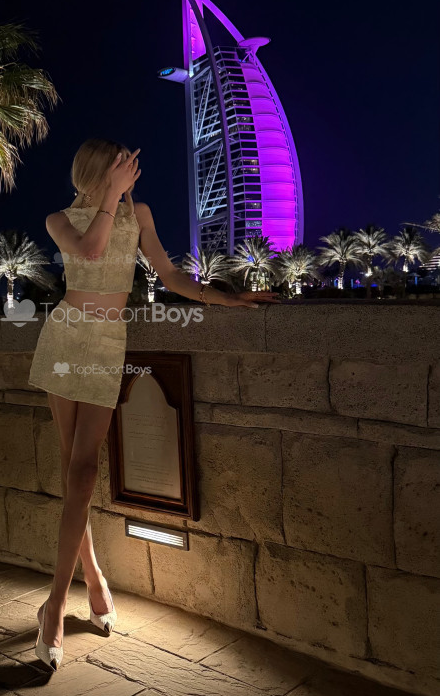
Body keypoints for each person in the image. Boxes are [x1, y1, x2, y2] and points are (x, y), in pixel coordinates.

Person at [28, 138, 276, 668]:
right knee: (74, 472)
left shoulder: (138, 213)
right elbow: (91, 252)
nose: (132, 173)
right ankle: (69, 597)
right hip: (65, 339)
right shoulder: (59, 220)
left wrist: (226, 298)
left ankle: (68, 594)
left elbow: (169, 275)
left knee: (84, 472)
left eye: (131, 166)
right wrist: (109, 197)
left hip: (106, 342)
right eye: (122, 167)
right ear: (98, 171)